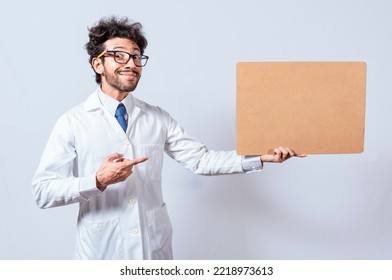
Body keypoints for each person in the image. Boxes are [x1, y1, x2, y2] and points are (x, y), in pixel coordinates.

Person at [32, 16, 305, 260]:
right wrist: (97, 180)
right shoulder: (72, 122)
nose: (131, 63)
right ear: (98, 64)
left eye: (137, 57)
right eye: (119, 56)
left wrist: (260, 157)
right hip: (102, 252)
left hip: (154, 251)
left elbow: (201, 160)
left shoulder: (157, 117)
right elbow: (43, 191)